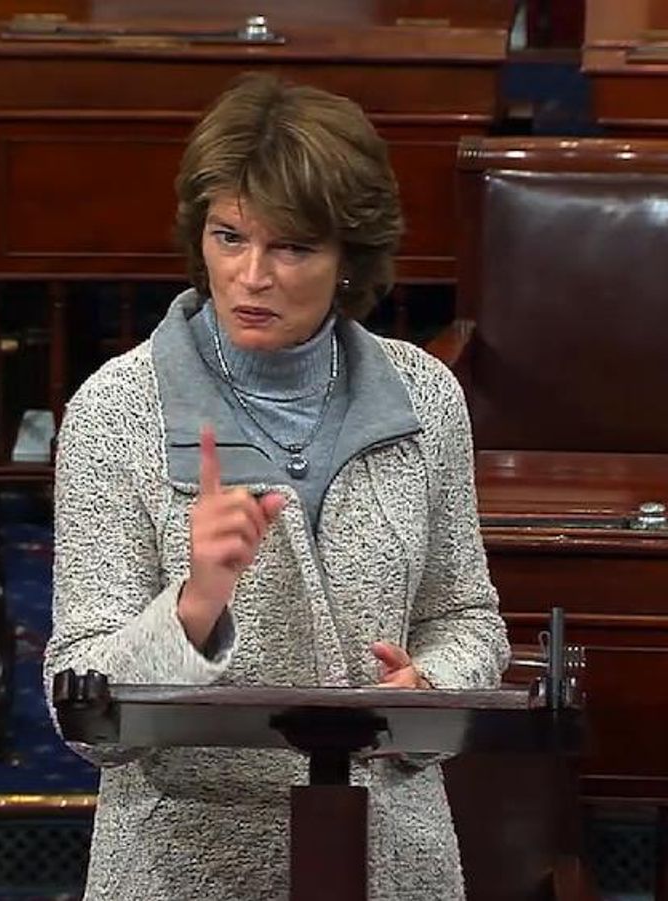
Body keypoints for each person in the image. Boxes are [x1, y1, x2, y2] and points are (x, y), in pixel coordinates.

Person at [44, 72, 510, 901]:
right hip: (187, 862)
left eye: (292, 247)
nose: (252, 275)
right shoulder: (117, 410)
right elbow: (82, 710)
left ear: (349, 258)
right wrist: (191, 609)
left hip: (390, 855)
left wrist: (429, 690)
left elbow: (465, 617)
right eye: (230, 237)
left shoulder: (424, 395)